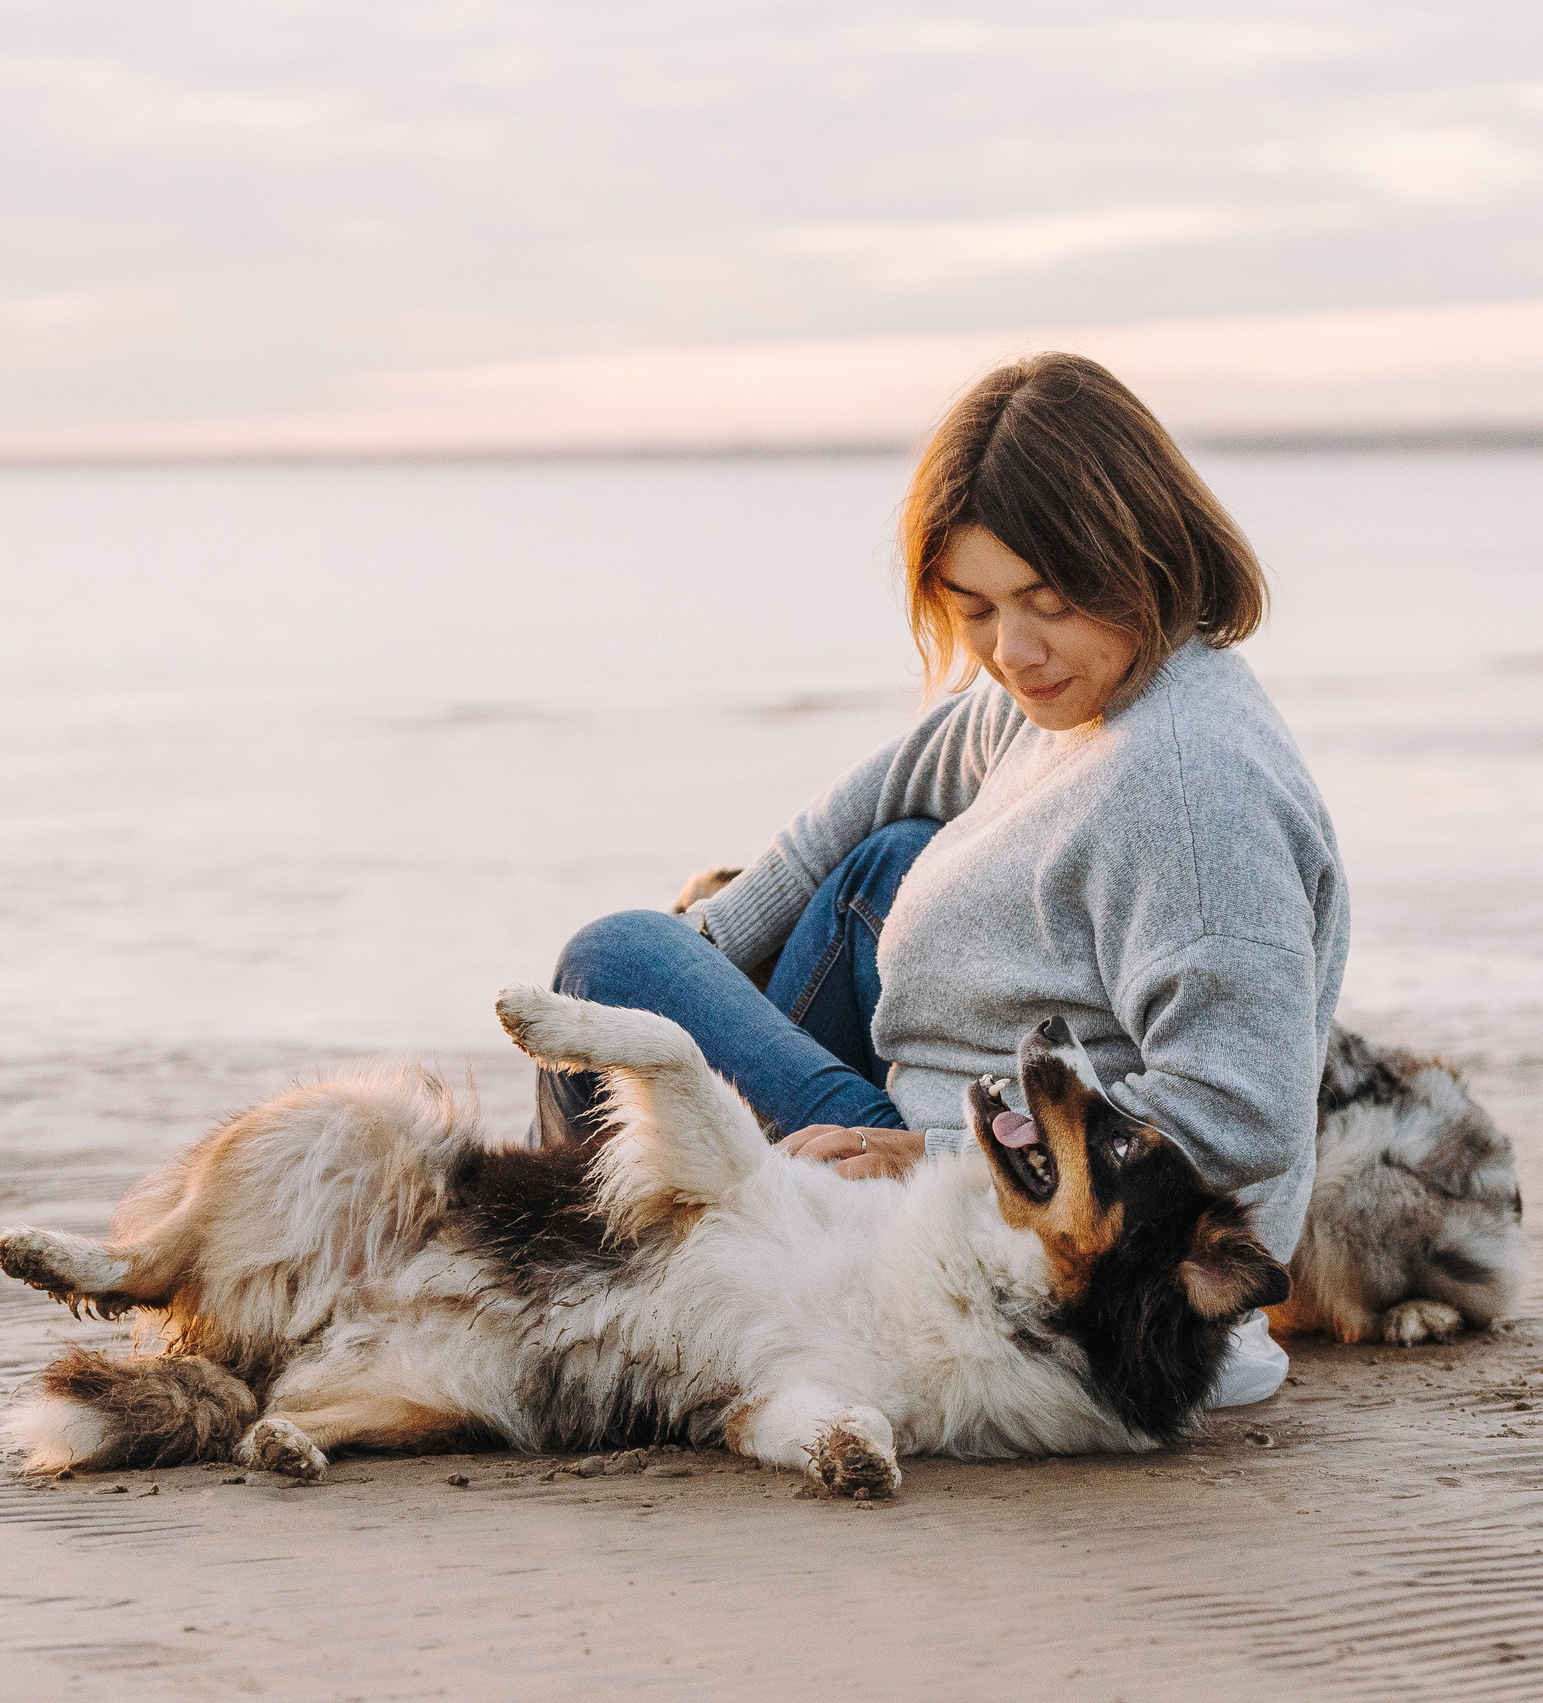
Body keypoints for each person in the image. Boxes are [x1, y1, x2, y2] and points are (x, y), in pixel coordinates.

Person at [541, 351, 1347, 1407]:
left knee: (614, 962)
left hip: (1029, 1255)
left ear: (1140, 554)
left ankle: (574, 1283)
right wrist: (720, 932)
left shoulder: (1193, 795)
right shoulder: (1090, 683)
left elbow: (1235, 1118)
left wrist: (914, 1157)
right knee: (890, 856)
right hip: (959, 1134)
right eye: (973, 609)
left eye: (1045, 600)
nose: (1011, 650)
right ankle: (670, 1223)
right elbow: (894, 779)